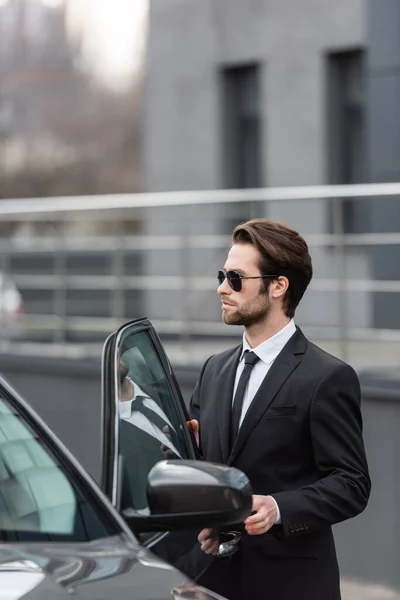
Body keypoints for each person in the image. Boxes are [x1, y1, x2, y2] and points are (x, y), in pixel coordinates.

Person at [189, 218, 371, 600]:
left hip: (291, 585)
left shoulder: (327, 377)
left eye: (236, 278)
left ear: (278, 286)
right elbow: (210, 467)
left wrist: (277, 507)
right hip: (215, 581)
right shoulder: (213, 369)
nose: (222, 287)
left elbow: (351, 483)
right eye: (223, 275)